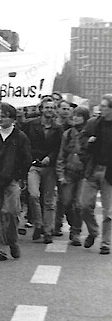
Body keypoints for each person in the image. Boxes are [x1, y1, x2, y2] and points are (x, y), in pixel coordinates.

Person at [0, 103, 32, 262]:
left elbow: (26, 159)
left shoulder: (20, 137)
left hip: (12, 180)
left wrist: (19, 177)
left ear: (12, 119)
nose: (0, 119)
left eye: (4, 116)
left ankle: (12, 240)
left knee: (11, 212)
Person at [23, 96, 62, 244]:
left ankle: (48, 231)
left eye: (52, 107)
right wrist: (31, 158)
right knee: (33, 195)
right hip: (34, 165)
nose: (49, 110)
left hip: (49, 168)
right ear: (42, 109)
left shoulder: (58, 128)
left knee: (49, 201)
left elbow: (59, 147)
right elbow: (24, 142)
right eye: (47, 107)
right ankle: (38, 223)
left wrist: (50, 158)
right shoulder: (31, 125)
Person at [79, 94, 112, 254]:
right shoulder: (93, 123)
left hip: (109, 172)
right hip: (93, 168)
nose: (101, 108)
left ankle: (105, 243)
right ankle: (93, 231)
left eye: (105, 106)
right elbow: (81, 139)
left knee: (108, 211)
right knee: (84, 205)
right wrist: (87, 143)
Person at [58, 105, 91, 246]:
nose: (76, 118)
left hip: (84, 174)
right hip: (69, 172)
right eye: (75, 115)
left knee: (79, 204)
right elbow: (61, 155)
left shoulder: (89, 134)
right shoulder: (68, 134)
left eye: (79, 115)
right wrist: (60, 173)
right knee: (65, 202)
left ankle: (76, 231)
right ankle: (72, 224)